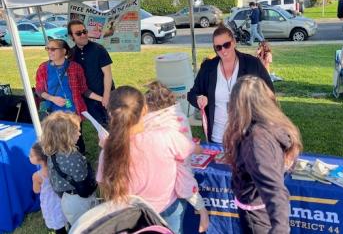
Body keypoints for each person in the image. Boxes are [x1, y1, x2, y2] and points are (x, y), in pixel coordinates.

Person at [97, 86, 193, 234]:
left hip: (132, 216)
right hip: (168, 208)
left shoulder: (108, 151)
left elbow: (103, 183)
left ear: (110, 114)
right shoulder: (167, 136)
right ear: (145, 109)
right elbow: (188, 150)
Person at [223, 75, 302, 233]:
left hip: (257, 216)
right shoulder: (274, 124)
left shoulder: (256, 141)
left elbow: (275, 191)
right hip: (259, 208)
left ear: (237, 106)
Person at [187, 25, 274, 143]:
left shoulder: (252, 64)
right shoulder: (208, 67)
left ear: (233, 42)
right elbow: (192, 94)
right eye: (218, 47)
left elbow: (269, 94)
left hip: (247, 139)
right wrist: (198, 99)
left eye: (226, 45)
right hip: (217, 138)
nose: (223, 50)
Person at [144, 81, 209, 233]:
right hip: (170, 200)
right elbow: (182, 170)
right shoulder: (177, 125)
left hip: (144, 201)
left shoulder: (139, 127)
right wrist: (201, 208)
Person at [35, 39, 102, 154]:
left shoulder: (75, 67)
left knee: (77, 142)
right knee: (56, 142)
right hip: (53, 115)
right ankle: (59, 167)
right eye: (48, 48)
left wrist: (102, 99)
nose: (49, 51)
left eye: (53, 49)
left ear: (64, 51)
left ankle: (80, 164)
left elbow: (84, 89)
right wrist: (52, 98)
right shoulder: (43, 68)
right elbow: (39, 90)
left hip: (73, 114)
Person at [40, 111, 96, 226]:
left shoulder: (53, 153)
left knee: (76, 223)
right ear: (65, 136)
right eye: (77, 131)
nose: (80, 134)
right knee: (87, 224)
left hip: (66, 198)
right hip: (78, 198)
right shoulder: (73, 156)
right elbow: (82, 178)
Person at [67, 19, 114, 126]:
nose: (83, 35)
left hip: (107, 94)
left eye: (84, 31)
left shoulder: (98, 49)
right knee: (100, 128)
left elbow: (108, 74)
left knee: (115, 127)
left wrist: (106, 96)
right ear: (71, 37)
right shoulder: (72, 54)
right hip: (89, 99)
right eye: (78, 33)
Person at [29, 142, 67, 234]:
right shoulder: (60, 167)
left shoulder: (37, 176)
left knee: (59, 226)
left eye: (31, 155)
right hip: (64, 198)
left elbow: (36, 190)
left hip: (51, 203)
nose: (29, 156)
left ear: (40, 159)